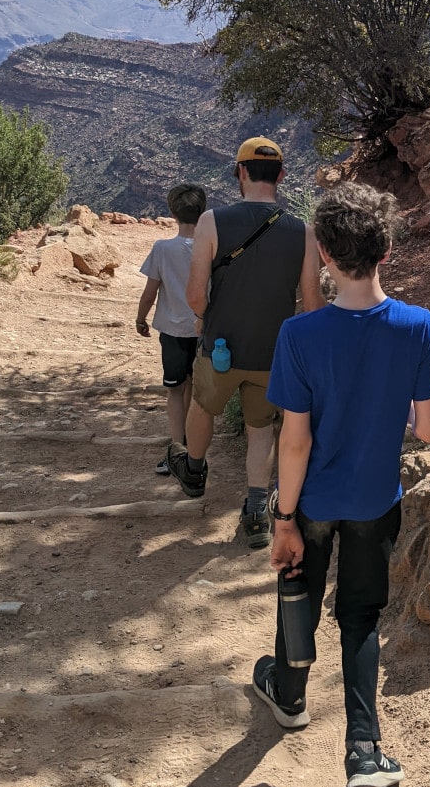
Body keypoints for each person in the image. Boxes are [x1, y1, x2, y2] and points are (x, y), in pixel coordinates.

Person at [251, 181, 430, 787]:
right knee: (360, 617)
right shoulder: (419, 326)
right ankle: (364, 750)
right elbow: (428, 430)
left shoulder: (300, 336)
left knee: (297, 589)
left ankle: (288, 694)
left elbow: (295, 441)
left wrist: (283, 519)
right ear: (387, 251)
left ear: (326, 258)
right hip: (373, 500)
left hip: (312, 500)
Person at [166, 137, 324, 551]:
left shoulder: (211, 222)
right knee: (260, 429)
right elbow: (312, 304)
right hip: (273, 353)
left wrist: (204, 319)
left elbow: (196, 294)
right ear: (282, 176)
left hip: (220, 347)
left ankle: (195, 470)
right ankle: (256, 512)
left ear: (240, 172)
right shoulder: (303, 232)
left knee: (202, 405)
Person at [135, 183, 207, 475]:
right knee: (193, 386)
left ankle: (178, 449)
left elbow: (150, 292)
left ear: (173, 213)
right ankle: (193, 449)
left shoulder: (162, 249)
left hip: (173, 331)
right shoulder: (211, 248)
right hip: (203, 330)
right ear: (202, 212)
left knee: (175, 391)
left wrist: (140, 319)